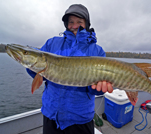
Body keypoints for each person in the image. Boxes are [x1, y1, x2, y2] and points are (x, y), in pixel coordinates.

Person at [26, 4, 113, 134]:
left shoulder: (97, 51)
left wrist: (99, 88)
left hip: (80, 119)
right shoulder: (52, 43)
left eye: (79, 22)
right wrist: (30, 65)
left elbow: (96, 89)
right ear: (66, 24)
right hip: (51, 116)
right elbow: (37, 74)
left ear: (86, 24)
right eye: (71, 22)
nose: (74, 26)